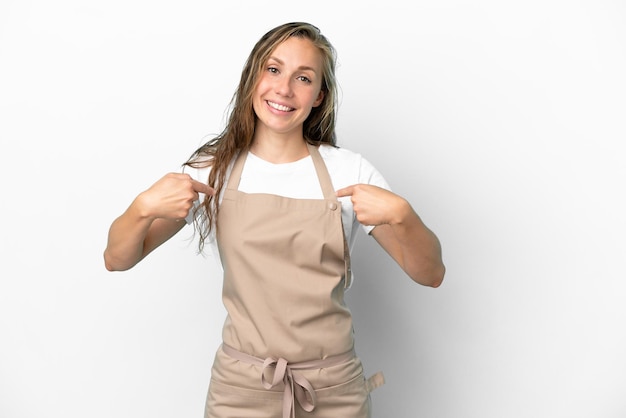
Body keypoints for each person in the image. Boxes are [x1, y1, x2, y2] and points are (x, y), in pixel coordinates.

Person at [104, 22, 445, 418]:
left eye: (303, 78)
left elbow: (430, 273)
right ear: (253, 78)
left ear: (319, 96)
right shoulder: (212, 170)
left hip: (333, 390)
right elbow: (117, 258)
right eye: (273, 69)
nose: (284, 89)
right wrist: (142, 207)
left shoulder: (349, 172)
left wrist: (404, 216)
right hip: (240, 391)